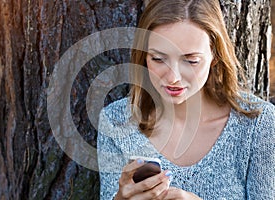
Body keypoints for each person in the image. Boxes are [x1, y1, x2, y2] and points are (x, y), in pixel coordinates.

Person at [97, 0, 275, 199]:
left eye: (191, 61)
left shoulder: (258, 124)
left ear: (215, 55)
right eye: (158, 59)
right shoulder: (115, 121)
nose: (173, 77)